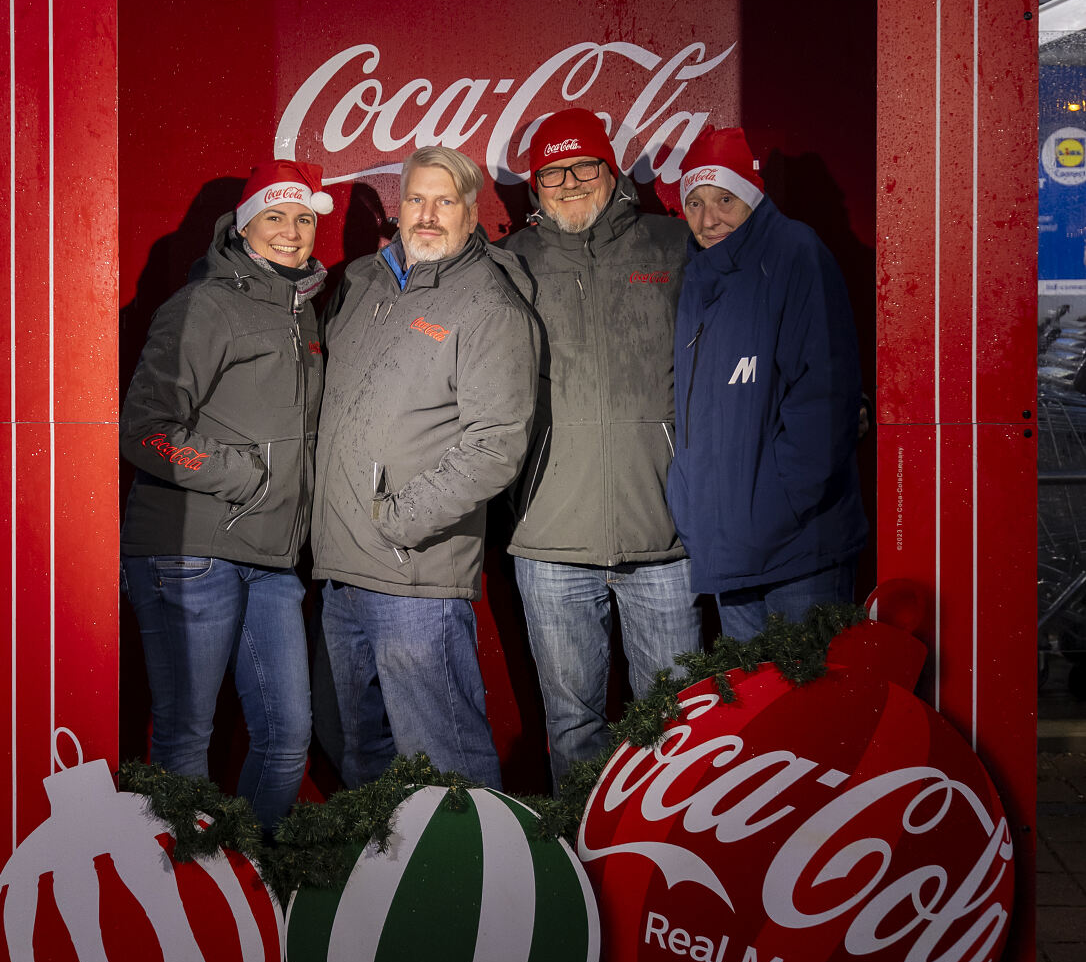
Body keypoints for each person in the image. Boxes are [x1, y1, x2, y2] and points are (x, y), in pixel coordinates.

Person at [311, 145, 539, 788]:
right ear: (399, 209)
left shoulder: (488, 305)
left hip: (415, 575)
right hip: (338, 572)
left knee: (445, 764)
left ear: (472, 215)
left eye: (446, 202)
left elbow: (496, 442)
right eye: (416, 199)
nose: (428, 216)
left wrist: (398, 520)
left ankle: (480, 887)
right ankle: (388, 885)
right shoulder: (359, 284)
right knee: (355, 757)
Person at [120, 160, 332, 831]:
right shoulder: (205, 304)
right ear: (243, 228)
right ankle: (176, 898)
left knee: (286, 737)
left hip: (271, 557)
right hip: (192, 550)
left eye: (303, 219)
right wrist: (247, 476)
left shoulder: (304, 311)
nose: (291, 232)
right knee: (186, 737)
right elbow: (145, 431)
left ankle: (242, 877)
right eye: (275, 217)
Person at [504, 107, 701, 784]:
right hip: (549, 539)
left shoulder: (673, 245)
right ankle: (584, 875)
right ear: (535, 186)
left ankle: (668, 873)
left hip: (664, 536)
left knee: (675, 728)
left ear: (610, 172)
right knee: (574, 731)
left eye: (582, 166)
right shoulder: (512, 261)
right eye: (551, 172)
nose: (568, 182)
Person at [665, 125, 867, 639]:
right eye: (695, 204)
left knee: (811, 709)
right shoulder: (697, 275)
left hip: (798, 547)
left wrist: (779, 504)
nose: (710, 220)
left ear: (753, 198)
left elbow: (824, 396)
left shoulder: (796, 253)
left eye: (725, 200)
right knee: (757, 713)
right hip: (729, 548)